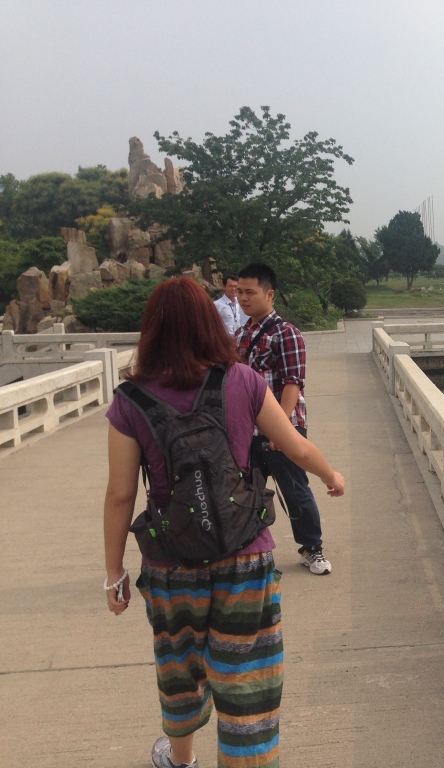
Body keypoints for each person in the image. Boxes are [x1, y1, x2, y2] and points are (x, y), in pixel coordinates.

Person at [103, 277, 345, 768]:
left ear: (151, 331)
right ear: (212, 324)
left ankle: (181, 759)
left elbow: (120, 494)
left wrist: (114, 573)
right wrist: (330, 474)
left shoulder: (131, 400)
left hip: (172, 566)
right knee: (247, 681)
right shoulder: (243, 380)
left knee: (180, 671)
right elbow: (292, 446)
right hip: (245, 557)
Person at [235, 262, 332, 575]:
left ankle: (312, 549)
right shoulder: (240, 335)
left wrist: (282, 429)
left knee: (294, 488)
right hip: (246, 430)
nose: (243, 298)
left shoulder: (286, 334)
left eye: (250, 292)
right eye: (239, 292)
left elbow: (292, 383)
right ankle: (252, 554)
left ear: (270, 293)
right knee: (245, 492)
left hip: (282, 427)